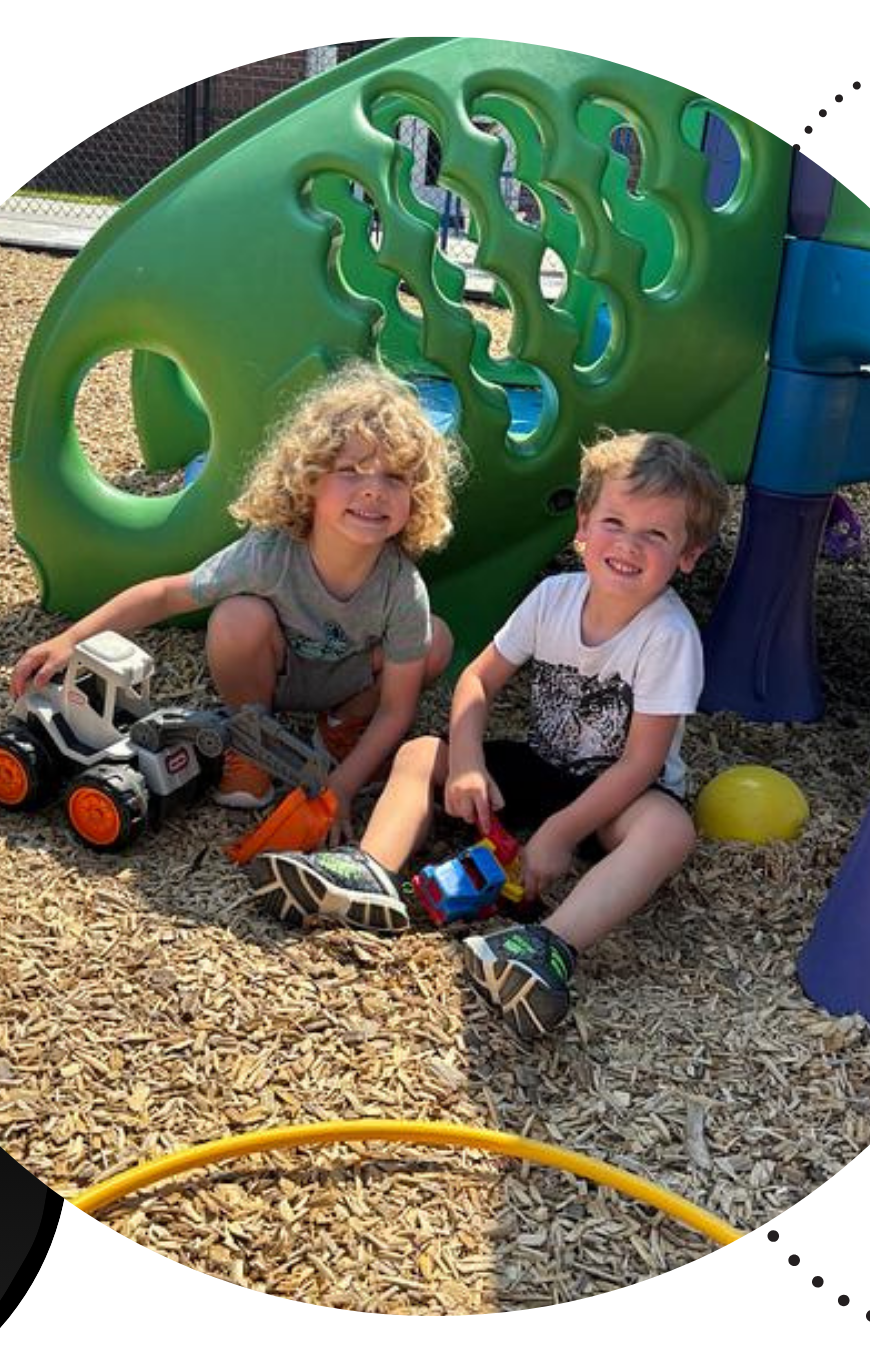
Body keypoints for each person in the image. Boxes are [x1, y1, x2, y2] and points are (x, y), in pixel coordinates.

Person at [251, 431, 729, 1038]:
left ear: (688, 554)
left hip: (620, 796)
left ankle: (549, 947)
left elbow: (640, 763)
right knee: (426, 752)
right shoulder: (554, 597)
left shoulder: (668, 634)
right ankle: (370, 872)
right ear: (583, 525)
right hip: (543, 764)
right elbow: (477, 679)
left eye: (655, 535)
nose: (627, 546)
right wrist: (470, 759)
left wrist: (559, 832)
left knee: (670, 830)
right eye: (614, 521)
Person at [10, 362, 462, 841]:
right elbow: (167, 594)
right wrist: (71, 639)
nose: (373, 488)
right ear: (309, 481)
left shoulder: (400, 585)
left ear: (417, 496)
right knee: (236, 617)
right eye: (350, 470)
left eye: (395, 477)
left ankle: (341, 727)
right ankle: (251, 738)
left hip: (348, 681)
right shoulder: (272, 553)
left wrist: (342, 787)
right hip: (277, 675)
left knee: (436, 640)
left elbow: (397, 707)